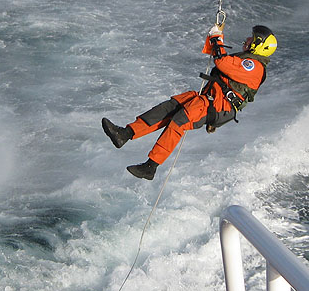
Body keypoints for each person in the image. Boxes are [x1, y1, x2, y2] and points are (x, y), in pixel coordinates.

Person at [102, 23, 277, 180]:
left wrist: (217, 38)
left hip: (216, 105)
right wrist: (216, 38)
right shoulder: (247, 60)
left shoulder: (254, 67)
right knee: (168, 108)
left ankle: (150, 167)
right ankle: (125, 134)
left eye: (252, 39)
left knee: (178, 121)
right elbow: (222, 60)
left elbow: (223, 62)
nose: (247, 39)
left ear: (258, 46)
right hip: (208, 98)